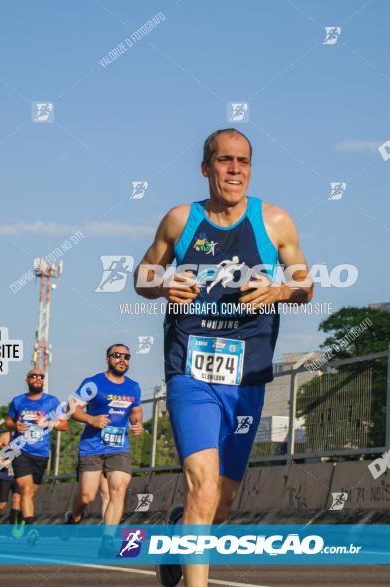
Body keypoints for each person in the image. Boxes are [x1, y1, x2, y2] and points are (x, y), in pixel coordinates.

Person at [135, 128, 313, 587]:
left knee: (224, 502)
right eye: (225, 160)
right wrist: (161, 285)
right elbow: (143, 273)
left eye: (243, 161)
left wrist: (279, 288)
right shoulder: (180, 220)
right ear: (206, 167)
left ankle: (177, 532)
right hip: (189, 369)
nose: (235, 169)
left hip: (247, 375)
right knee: (204, 485)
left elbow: (306, 285)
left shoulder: (275, 222)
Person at [64, 344, 142, 552]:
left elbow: (136, 410)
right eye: (117, 356)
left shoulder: (133, 386)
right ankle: (74, 517)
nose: (122, 360)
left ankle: (107, 539)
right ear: (108, 359)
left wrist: (137, 421)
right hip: (92, 446)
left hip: (119, 446)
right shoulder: (93, 383)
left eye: (126, 356)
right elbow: (71, 409)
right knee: (87, 496)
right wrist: (91, 419)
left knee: (118, 488)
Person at [5, 368, 67, 540]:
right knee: (25, 489)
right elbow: (8, 420)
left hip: (41, 453)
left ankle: (22, 519)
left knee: (31, 492)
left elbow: (64, 426)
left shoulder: (52, 401)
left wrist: (47, 422)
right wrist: (14, 426)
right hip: (20, 450)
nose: (38, 378)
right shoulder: (18, 401)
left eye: (41, 376)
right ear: (27, 380)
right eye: (34, 376)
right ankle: (31, 528)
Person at [0, 431, 21, 528]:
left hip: (20, 474)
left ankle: (13, 529)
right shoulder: (6, 436)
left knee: (16, 499)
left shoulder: (29, 436)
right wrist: (0, 461)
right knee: (1, 506)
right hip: (5, 475)